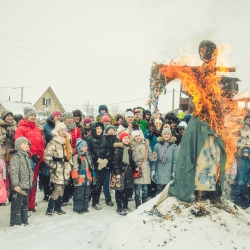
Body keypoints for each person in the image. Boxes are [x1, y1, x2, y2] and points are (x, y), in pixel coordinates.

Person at [15, 107, 44, 212]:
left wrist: (42, 157)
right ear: (26, 116)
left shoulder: (37, 129)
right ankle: (24, 205)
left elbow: (41, 144)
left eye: (35, 115)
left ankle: (31, 205)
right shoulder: (21, 129)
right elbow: (19, 144)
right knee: (25, 183)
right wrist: (31, 155)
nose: (33, 117)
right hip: (27, 159)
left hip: (37, 160)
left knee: (33, 182)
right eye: (31, 115)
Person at [44, 122, 73, 215]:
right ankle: (50, 208)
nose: (63, 132)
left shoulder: (67, 142)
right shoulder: (53, 143)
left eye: (65, 130)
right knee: (58, 189)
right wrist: (54, 165)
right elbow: (47, 156)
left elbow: (70, 155)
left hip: (66, 169)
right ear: (57, 131)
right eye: (61, 130)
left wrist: (70, 165)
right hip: (57, 170)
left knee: (62, 188)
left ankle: (58, 207)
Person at [9, 137, 33, 226]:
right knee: (17, 204)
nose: (27, 145)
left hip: (26, 185)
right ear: (19, 146)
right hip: (19, 186)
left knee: (25, 203)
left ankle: (24, 220)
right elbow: (14, 172)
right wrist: (15, 184)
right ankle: (16, 222)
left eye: (27, 143)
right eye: (24, 144)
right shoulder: (16, 157)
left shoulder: (26, 155)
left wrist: (30, 181)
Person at [130, 130, 157, 208]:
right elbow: (132, 158)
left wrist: (154, 156)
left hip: (145, 168)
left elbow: (149, 156)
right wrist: (138, 154)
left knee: (145, 188)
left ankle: (144, 204)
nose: (138, 137)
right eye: (136, 136)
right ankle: (138, 204)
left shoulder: (146, 144)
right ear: (133, 137)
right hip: (137, 168)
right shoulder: (132, 145)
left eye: (139, 135)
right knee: (137, 188)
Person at [113, 132, 136, 215]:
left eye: (127, 138)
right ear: (121, 139)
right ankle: (119, 207)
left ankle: (125, 206)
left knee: (127, 190)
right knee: (119, 191)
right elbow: (115, 162)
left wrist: (135, 166)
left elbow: (130, 160)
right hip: (121, 173)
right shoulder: (118, 149)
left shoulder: (128, 149)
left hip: (128, 173)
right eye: (124, 138)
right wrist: (117, 173)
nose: (126, 140)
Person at [151, 124, 179, 194]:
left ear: (170, 135)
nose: (166, 135)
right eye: (164, 134)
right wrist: (153, 171)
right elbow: (155, 160)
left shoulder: (174, 147)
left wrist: (173, 172)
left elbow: (175, 161)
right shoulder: (157, 146)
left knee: (167, 194)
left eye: (168, 134)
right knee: (159, 194)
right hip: (159, 172)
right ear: (162, 135)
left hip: (168, 173)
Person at [86, 122, 108, 210]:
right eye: (97, 128)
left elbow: (107, 151)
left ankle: (96, 201)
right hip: (93, 165)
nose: (99, 130)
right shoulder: (89, 139)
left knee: (100, 184)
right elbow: (88, 152)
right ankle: (87, 199)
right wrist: (96, 159)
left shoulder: (104, 139)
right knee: (93, 184)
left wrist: (106, 159)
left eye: (100, 129)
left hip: (102, 165)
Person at [42, 110, 62, 202]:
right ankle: (46, 193)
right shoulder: (46, 127)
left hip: (59, 152)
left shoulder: (62, 126)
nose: (58, 117)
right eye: (57, 116)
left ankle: (55, 193)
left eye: (60, 116)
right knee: (47, 174)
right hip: (49, 151)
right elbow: (44, 139)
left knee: (57, 174)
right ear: (53, 117)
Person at [72, 138, 96, 214]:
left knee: (87, 194)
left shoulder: (88, 156)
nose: (85, 148)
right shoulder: (77, 157)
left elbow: (92, 167)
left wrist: (94, 176)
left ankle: (85, 207)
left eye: (86, 146)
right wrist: (75, 177)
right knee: (79, 194)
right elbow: (74, 167)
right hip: (80, 179)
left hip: (88, 179)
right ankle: (78, 208)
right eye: (83, 146)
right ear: (79, 147)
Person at [62, 112, 82, 205]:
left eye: (71, 118)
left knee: (74, 175)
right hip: (64, 155)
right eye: (68, 118)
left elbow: (80, 141)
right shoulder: (62, 128)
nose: (70, 119)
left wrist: (75, 150)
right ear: (64, 119)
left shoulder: (77, 129)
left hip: (74, 155)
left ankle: (73, 194)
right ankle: (64, 197)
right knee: (65, 176)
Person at [144, 118, 164, 198]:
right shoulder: (150, 132)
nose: (157, 125)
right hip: (152, 155)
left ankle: (157, 190)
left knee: (159, 173)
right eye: (156, 123)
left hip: (161, 156)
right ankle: (150, 191)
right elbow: (145, 140)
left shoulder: (163, 132)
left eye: (159, 123)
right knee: (152, 173)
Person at [103, 125, 118, 206]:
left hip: (115, 164)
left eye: (113, 130)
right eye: (109, 130)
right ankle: (107, 197)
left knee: (117, 181)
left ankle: (118, 197)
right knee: (106, 181)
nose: (111, 131)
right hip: (107, 163)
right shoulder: (104, 140)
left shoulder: (117, 140)